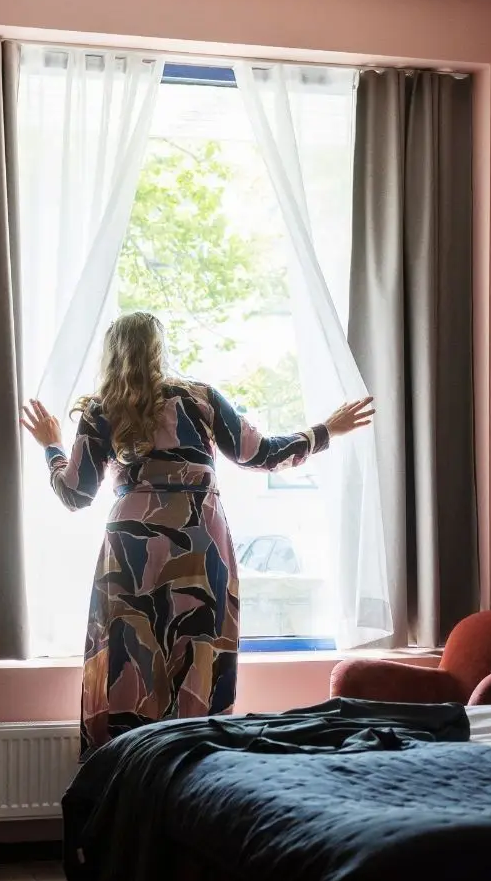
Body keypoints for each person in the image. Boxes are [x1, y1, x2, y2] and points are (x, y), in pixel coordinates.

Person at [21, 310, 374, 756]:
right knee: (197, 647)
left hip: (131, 547)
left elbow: (75, 494)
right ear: (159, 350)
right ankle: (193, 767)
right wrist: (326, 430)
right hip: (198, 539)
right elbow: (262, 454)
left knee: (131, 655)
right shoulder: (201, 399)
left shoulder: (102, 411)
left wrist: (51, 446)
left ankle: (125, 770)